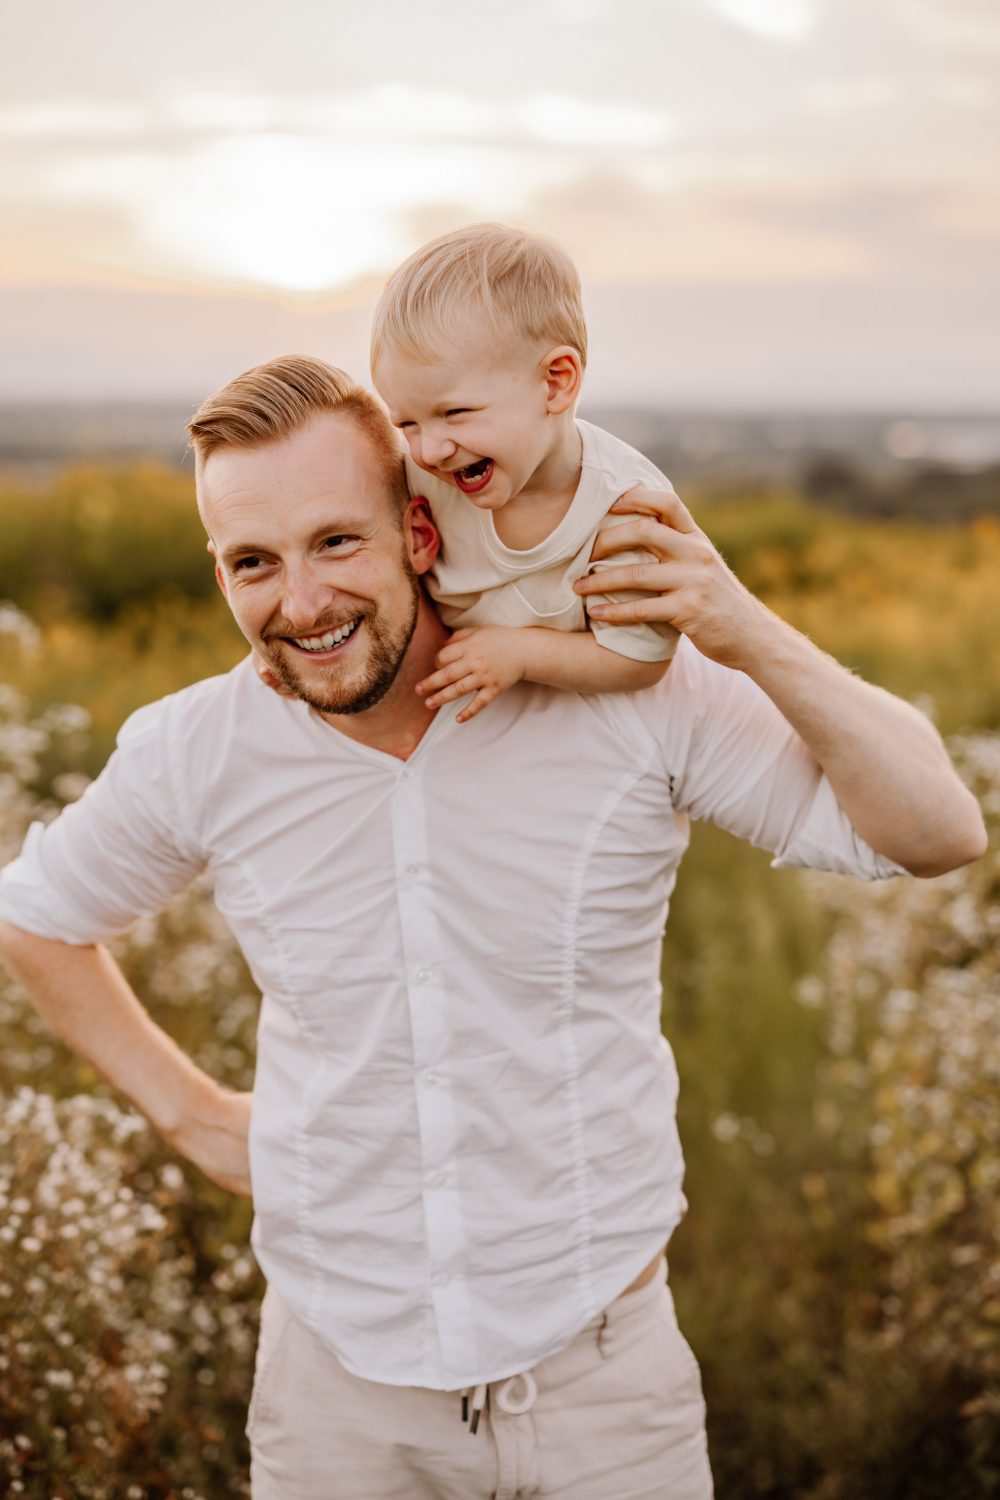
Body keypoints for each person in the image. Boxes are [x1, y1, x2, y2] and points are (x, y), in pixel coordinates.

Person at [0, 357, 985, 1500]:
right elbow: (35, 917)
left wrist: (737, 623)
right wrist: (194, 1117)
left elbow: (935, 830)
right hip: (339, 1414)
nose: (301, 604)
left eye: (336, 542)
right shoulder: (196, 751)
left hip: (610, 1400)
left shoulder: (626, 696)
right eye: (253, 563)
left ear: (421, 530)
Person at [369, 222, 680, 724]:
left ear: (555, 383)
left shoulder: (623, 509)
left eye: (456, 413)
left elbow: (637, 660)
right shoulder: (418, 474)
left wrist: (521, 653)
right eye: (406, 422)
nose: (429, 448)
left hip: (578, 727)